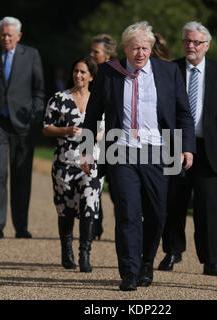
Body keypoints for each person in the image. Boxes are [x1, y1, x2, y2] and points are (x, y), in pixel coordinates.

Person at [81, 21, 195, 291]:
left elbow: (182, 113)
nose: (140, 53)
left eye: (145, 48)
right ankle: (129, 272)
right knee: (128, 213)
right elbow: (92, 115)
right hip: (120, 151)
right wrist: (86, 151)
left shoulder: (168, 72)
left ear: (152, 48)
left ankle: (146, 263)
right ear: (125, 48)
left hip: (158, 151)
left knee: (157, 214)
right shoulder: (109, 72)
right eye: (135, 48)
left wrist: (186, 147)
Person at [158, 22, 217, 277]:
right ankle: (171, 251)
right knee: (173, 202)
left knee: (207, 207)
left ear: (207, 45)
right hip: (176, 145)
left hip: (210, 148)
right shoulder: (169, 70)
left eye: (196, 42)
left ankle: (210, 260)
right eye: (187, 41)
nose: (191, 46)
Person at [0, 16, 45, 239]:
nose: (6, 38)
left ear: (19, 36)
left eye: (10, 35)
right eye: (3, 34)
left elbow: (39, 90)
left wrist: (35, 115)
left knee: (22, 174)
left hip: (24, 123)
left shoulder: (31, 55)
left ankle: (21, 226)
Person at [43, 57, 103, 273]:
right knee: (66, 209)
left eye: (83, 72)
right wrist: (65, 131)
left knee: (89, 206)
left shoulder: (100, 99)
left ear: (91, 76)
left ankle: (84, 254)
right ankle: (66, 250)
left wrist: (94, 135)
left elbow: (106, 128)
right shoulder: (59, 98)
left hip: (91, 162)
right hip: (64, 162)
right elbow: (46, 128)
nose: (78, 75)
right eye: (76, 71)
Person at [89, 33, 117, 240]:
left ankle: (124, 227)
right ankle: (94, 226)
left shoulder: (115, 75)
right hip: (92, 135)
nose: (91, 54)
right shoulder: (88, 73)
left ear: (107, 55)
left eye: (95, 52)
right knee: (92, 183)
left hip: (112, 138)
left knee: (117, 188)